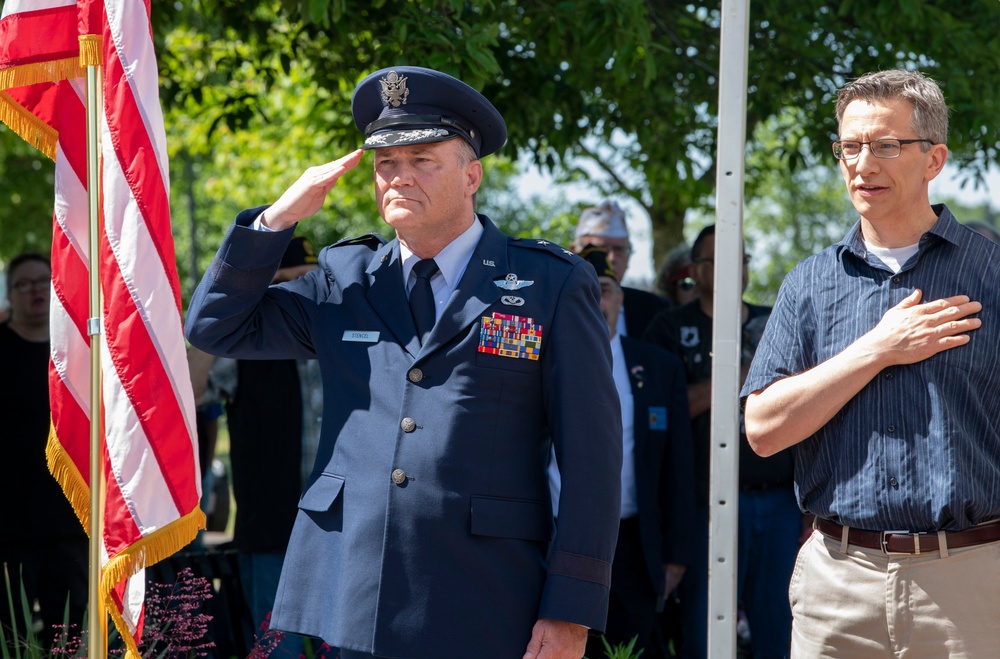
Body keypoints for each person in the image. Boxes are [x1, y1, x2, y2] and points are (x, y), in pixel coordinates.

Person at [185, 65, 622, 659]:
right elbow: (216, 325)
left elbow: (593, 459)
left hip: (488, 594)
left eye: (422, 160)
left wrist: (571, 611)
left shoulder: (550, 283)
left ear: (473, 175)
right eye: (386, 164)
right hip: (356, 594)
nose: (399, 178)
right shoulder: (344, 279)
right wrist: (275, 221)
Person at [742, 69, 1000, 658]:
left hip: (970, 582)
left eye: (886, 145)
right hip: (837, 583)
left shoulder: (992, 277)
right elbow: (761, 431)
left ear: (934, 159)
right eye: (849, 147)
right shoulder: (808, 284)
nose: (863, 164)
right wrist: (878, 348)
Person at [645, 226, 800, 659]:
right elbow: (661, 412)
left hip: (778, 500)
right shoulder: (670, 327)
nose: (737, 267)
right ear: (696, 270)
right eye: (721, 258)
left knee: (779, 629)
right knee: (704, 630)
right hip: (703, 504)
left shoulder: (775, 321)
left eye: (743, 258)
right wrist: (735, 375)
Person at [549, 247, 695, 658]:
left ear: (621, 298)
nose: (597, 300)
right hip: (557, 537)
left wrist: (676, 555)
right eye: (586, 290)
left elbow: (677, 467)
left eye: (606, 290)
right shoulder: (538, 357)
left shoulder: (658, 367)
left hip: (633, 541)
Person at [202, 235, 322, 655]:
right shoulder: (244, 349)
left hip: (346, 533)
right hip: (272, 531)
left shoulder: (351, 343)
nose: (294, 293)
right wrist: (218, 309)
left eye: (305, 279)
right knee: (279, 651)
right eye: (281, 283)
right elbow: (186, 391)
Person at [0, 253, 88, 646]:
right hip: (8, 524)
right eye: (24, 283)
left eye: (42, 281)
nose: (36, 290)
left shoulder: (80, 349)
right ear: (10, 294)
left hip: (71, 518)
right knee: (10, 633)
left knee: (70, 634)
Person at [571, 200, 671, 338]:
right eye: (601, 249)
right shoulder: (553, 306)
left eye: (619, 249)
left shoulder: (657, 310)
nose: (611, 257)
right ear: (574, 252)